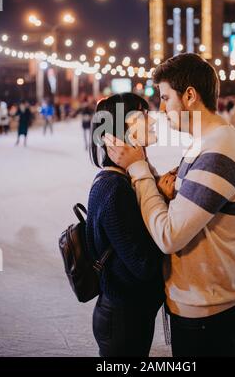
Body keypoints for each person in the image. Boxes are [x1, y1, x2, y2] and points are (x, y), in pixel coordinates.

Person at [104, 53, 235, 357]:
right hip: (204, 300)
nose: (161, 109)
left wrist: (137, 169)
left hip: (206, 310)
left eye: (164, 98)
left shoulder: (218, 154)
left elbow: (169, 235)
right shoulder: (207, 144)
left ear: (189, 95)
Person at [86, 93, 164, 357]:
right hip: (122, 319)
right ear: (121, 127)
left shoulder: (124, 180)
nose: (151, 119)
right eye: (142, 113)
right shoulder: (114, 188)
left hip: (130, 313)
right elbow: (144, 265)